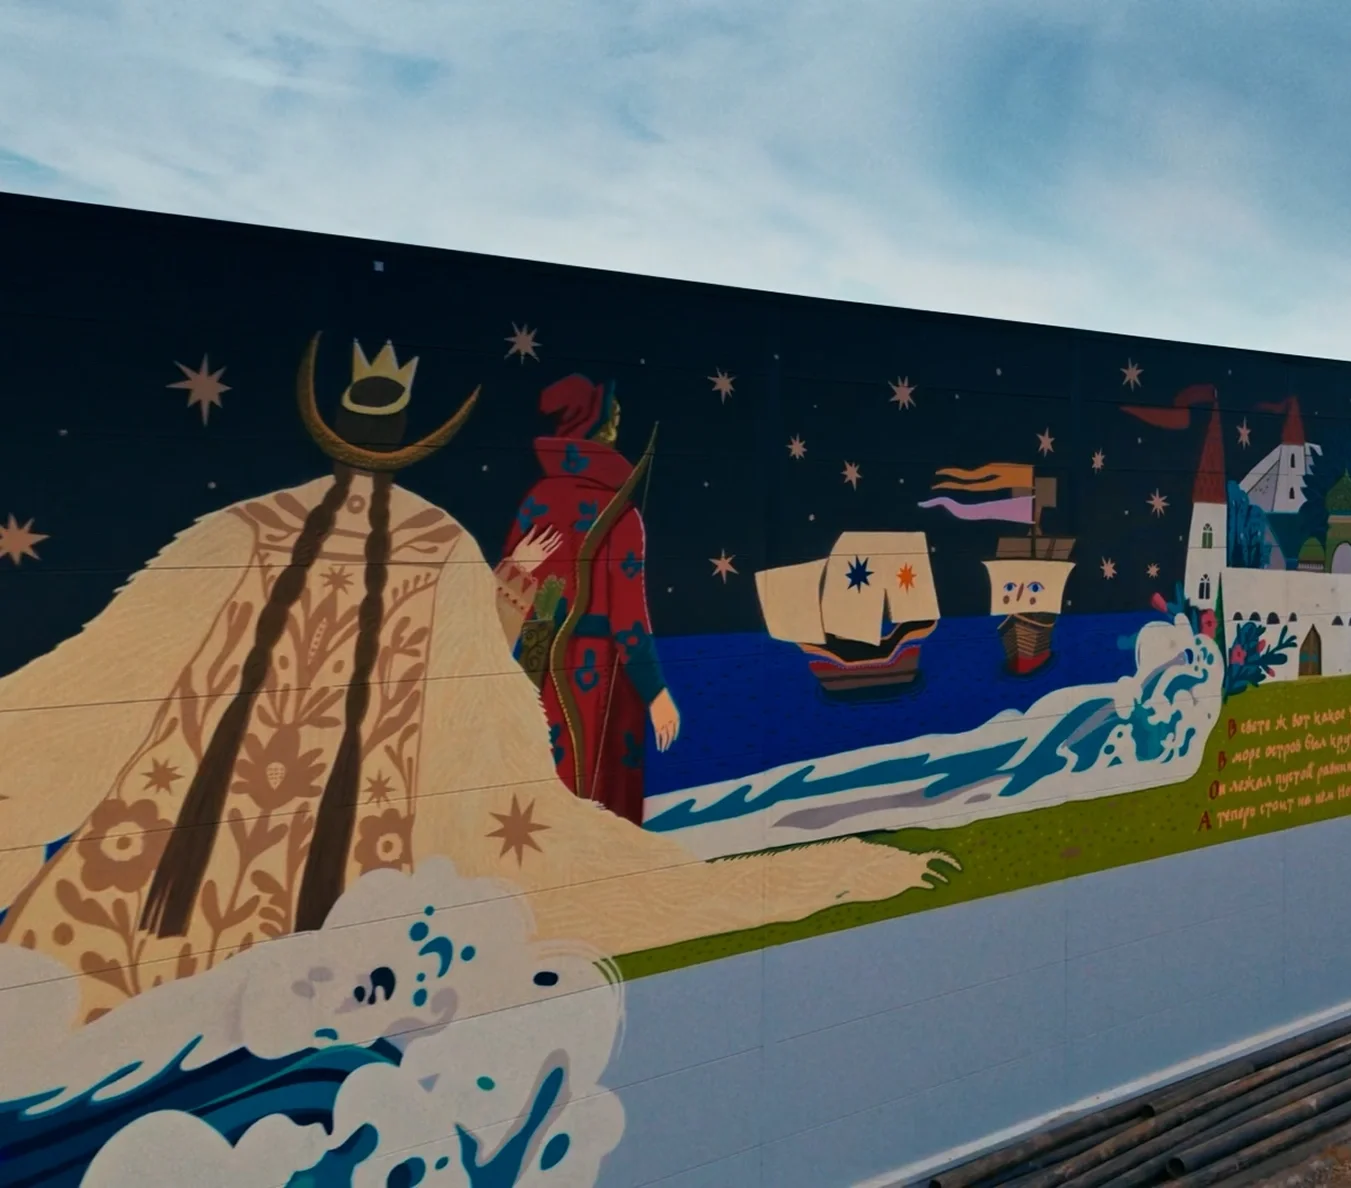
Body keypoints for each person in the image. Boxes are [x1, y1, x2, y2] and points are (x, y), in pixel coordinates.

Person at [0, 335, 954, 1025]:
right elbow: (498, 661)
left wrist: (513, 602)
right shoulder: (442, 538)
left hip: (195, 828)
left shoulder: (241, 527)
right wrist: (603, 656)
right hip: (416, 784)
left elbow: (115, 664)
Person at [502, 375, 680, 823]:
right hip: (601, 679)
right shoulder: (622, 515)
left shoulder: (536, 500)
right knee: (600, 796)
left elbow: (503, 600)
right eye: (612, 419)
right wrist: (656, 692)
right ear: (601, 428)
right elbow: (629, 622)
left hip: (539, 669)